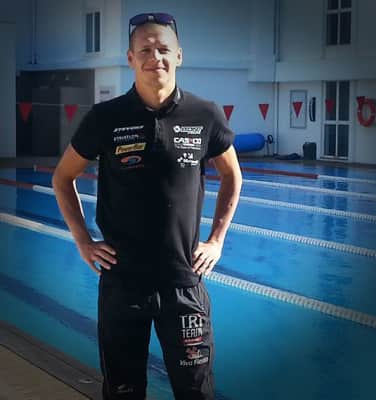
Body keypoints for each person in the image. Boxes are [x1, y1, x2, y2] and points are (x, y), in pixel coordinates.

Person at [52, 12, 242, 400]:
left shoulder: (205, 114)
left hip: (184, 282)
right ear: (130, 58)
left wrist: (217, 240)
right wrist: (83, 240)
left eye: (163, 49)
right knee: (123, 391)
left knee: (196, 392)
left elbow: (232, 176)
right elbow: (62, 177)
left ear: (179, 55)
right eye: (145, 49)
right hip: (123, 283)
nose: (155, 57)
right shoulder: (106, 117)